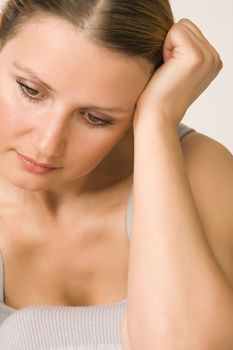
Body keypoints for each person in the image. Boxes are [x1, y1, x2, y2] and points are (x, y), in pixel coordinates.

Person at [0, 0, 232, 349]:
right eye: (31, 91)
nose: (48, 144)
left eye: (96, 118)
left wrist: (157, 121)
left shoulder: (198, 169)